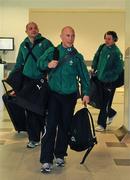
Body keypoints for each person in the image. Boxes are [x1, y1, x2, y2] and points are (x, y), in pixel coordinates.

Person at [37, 26, 90, 173]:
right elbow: (39, 63)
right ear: (61, 36)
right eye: (67, 35)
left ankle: (60, 154)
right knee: (51, 126)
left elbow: (85, 77)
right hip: (54, 95)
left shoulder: (77, 56)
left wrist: (86, 92)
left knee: (65, 126)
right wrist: (48, 64)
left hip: (70, 96)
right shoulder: (52, 51)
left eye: (72, 35)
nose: (70, 38)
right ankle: (46, 160)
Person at [10, 22, 53, 148]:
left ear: (38, 30)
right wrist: (13, 82)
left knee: (41, 109)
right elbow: (19, 64)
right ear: (26, 31)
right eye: (30, 28)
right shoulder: (23, 45)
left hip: (42, 81)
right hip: (27, 82)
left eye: (35, 28)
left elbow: (54, 58)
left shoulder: (45, 43)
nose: (33, 30)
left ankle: (44, 134)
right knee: (29, 110)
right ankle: (34, 138)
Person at [91, 31, 124, 132]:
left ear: (115, 39)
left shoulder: (117, 53)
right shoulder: (102, 47)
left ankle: (101, 124)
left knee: (105, 103)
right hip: (100, 79)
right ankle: (111, 113)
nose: (106, 40)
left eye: (109, 39)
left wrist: (109, 76)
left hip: (110, 82)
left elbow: (118, 69)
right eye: (105, 38)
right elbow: (96, 57)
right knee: (98, 100)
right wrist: (93, 67)